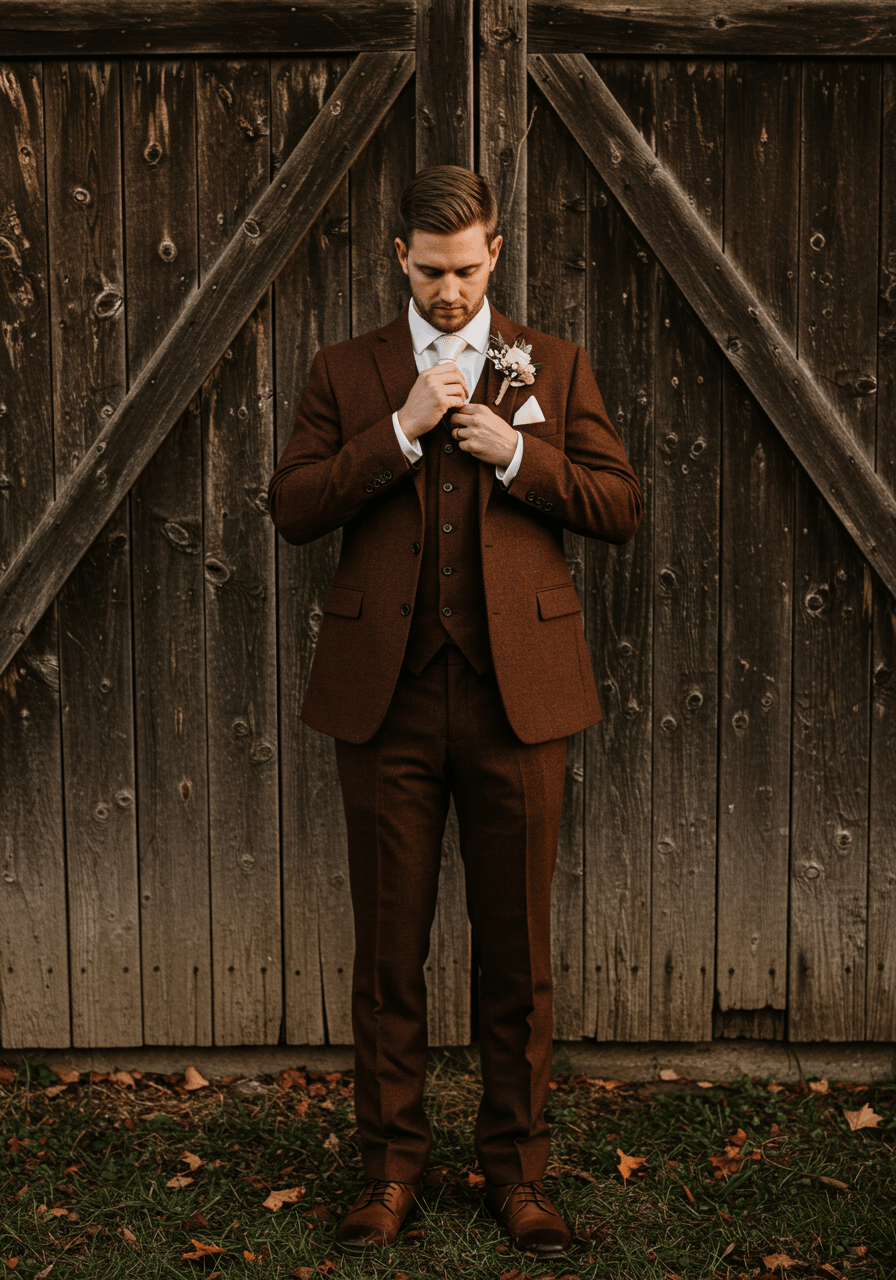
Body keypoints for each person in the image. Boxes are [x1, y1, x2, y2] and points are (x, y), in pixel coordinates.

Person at [268, 165, 642, 1259]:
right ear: (399, 256)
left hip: (516, 702)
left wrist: (516, 452)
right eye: (429, 270)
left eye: (466, 269)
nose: (447, 290)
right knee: (388, 952)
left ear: (495, 252)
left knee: (516, 952)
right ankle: (389, 1170)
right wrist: (397, 430)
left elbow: (618, 503)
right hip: (383, 701)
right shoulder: (348, 372)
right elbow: (291, 505)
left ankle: (516, 1173)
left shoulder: (549, 363)